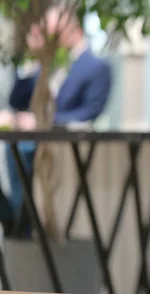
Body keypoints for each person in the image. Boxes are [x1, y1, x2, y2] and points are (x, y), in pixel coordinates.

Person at [2, 5, 112, 237]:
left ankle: (22, 228)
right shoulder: (48, 64)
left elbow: (90, 112)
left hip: (62, 148)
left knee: (24, 156)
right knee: (14, 154)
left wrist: (42, 122)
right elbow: (16, 100)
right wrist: (33, 60)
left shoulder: (96, 66)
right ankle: (17, 225)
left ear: (73, 28)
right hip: (28, 145)